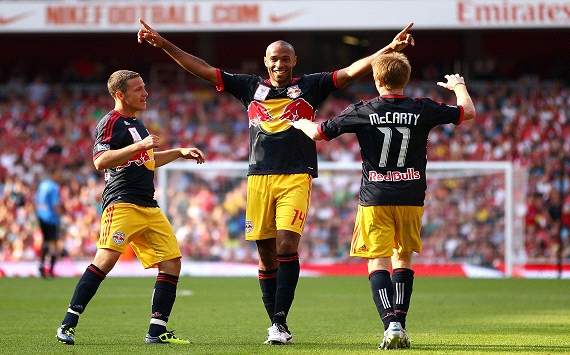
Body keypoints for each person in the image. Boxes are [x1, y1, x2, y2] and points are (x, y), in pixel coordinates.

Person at [137, 19, 414, 345]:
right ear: (266, 61)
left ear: (294, 61)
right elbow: (201, 68)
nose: (280, 63)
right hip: (258, 179)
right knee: (266, 255)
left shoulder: (312, 85)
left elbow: (352, 70)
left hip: (296, 176)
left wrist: (388, 50)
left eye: (285, 58)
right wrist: (164, 43)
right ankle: (276, 322)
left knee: (286, 245)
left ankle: (280, 322)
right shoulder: (248, 87)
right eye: (274, 58)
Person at [293, 53, 476, 349]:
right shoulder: (421, 108)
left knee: (377, 260)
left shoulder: (364, 110)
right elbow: (466, 113)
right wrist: (458, 86)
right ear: (405, 79)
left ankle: (390, 325)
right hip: (412, 196)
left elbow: (318, 133)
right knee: (402, 258)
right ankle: (399, 326)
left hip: (375, 197)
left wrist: (301, 123)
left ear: (377, 80)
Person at [56, 70, 205, 345]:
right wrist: (140, 145)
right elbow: (101, 161)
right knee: (105, 260)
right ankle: (68, 323)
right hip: (122, 202)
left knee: (172, 262)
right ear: (120, 95)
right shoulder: (110, 122)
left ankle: (156, 330)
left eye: (144, 87)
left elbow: (146, 159)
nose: (145, 93)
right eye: (138, 89)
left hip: (148, 205)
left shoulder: (137, 124)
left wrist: (178, 152)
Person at [35, 146, 63, 278]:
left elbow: (37, 201)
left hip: (41, 217)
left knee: (45, 241)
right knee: (53, 244)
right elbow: (56, 204)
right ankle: (50, 270)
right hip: (51, 218)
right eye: (58, 174)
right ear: (54, 174)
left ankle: (41, 266)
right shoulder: (54, 187)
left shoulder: (42, 185)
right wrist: (60, 216)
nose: (60, 176)